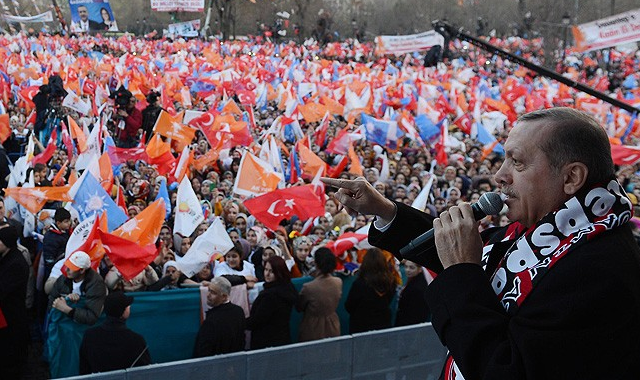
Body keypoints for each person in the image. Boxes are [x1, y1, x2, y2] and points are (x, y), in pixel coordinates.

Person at [322, 108, 640, 379]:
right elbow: (463, 247)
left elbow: (504, 369)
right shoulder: (548, 232)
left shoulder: (598, 271)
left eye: (517, 163)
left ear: (571, 178)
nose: (499, 176)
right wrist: (385, 210)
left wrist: (462, 271)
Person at [79, 292, 151, 374]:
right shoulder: (137, 340)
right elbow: (145, 372)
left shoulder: (90, 336)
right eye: (127, 306)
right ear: (123, 312)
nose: (129, 307)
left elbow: (84, 369)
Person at [246, 256, 297, 350]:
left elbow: (257, 320)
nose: (267, 274)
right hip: (282, 339)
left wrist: (239, 322)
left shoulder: (270, 296)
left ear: (279, 272)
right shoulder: (288, 288)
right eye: (266, 269)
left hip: (266, 343)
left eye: (272, 271)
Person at [0, 225, 29, 379]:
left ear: (6, 243)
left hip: (12, 316)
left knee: (10, 351)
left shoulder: (16, 263)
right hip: (6, 314)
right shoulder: (7, 257)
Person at [344, 248, 396, 333]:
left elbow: (349, 306)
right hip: (383, 324)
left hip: (361, 326)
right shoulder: (391, 281)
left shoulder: (360, 284)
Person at [296, 247, 342, 342]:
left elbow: (299, 307)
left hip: (312, 328)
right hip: (333, 325)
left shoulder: (309, 287)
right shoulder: (338, 282)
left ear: (316, 264)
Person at [49, 251, 107, 325]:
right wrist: (64, 299)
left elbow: (92, 317)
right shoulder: (63, 279)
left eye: (72, 268)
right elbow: (52, 300)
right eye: (68, 265)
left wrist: (67, 309)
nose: (67, 270)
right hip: (62, 327)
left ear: (82, 270)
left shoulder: (96, 285)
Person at [193, 277, 246, 357]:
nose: (208, 295)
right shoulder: (239, 311)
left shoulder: (211, 321)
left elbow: (203, 351)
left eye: (213, 293)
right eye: (209, 290)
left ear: (224, 297)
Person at [394, 260, 430, 327]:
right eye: (406, 267)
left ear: (419, 269)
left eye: (411, 267)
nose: (407, 270)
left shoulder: (417, 288)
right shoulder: (416, 281)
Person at [42, 208, 71, 284]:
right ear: (58, 223)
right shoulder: (51, 237)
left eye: (69, 220)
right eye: (66, 222)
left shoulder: (64, 231)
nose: (69, 223)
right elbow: (49, 259)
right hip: (54, 269)